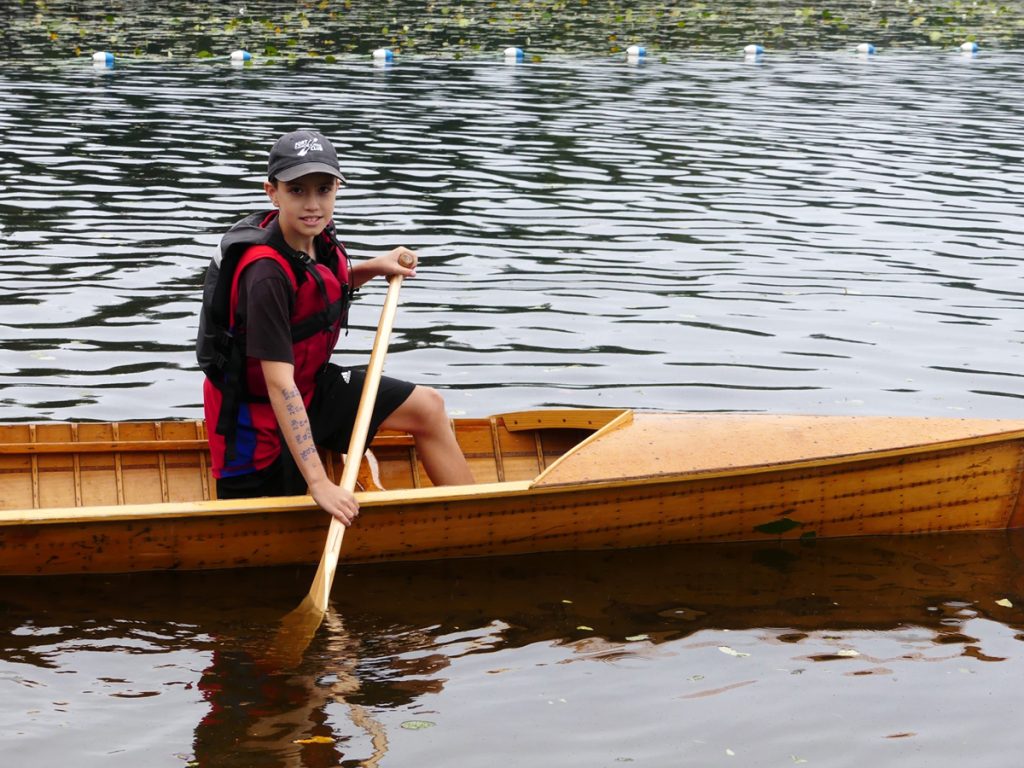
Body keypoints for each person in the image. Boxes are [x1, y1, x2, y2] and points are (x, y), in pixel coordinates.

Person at [196, 128, 473, 525]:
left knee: (428, 408)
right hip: (255, 420)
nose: (312, 204)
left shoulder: (314, 238)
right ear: (272, 192)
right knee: (271, 518)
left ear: (337, 189)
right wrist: (319, 481)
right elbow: (278, 384)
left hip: (311, 387)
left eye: (324, 189)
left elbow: (313, 295)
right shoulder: (264, 274)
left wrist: (374, 268)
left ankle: (473, 513)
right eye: (297, 191)